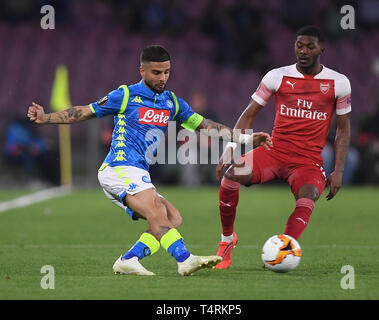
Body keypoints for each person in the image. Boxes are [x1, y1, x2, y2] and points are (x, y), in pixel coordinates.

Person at [27, 45, 271, 276]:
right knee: (156, 211)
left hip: (138, 171)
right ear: (142, 70)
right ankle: (185, 260)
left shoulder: (172, 102)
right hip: (119, 167)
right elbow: (84, 111)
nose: (162, 78)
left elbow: (206, 126)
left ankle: (129, 260)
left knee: (172, 217)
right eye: (156, 72)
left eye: (166, 72)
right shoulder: (125, 95)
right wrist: (45, 117)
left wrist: (245, 140)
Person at [215, 26, 352, 269]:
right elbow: (249, 114)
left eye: (310, 46)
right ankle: (227, 240)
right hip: (273, 151)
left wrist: (338, 169)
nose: (303, 51)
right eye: (299, 45)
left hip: (307, 161)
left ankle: (284, 250)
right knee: (230, 177)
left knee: (308, 196)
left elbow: (343, 129)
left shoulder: (338, 83)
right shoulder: (277, 76)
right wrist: (231, 149)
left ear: (322, 49)